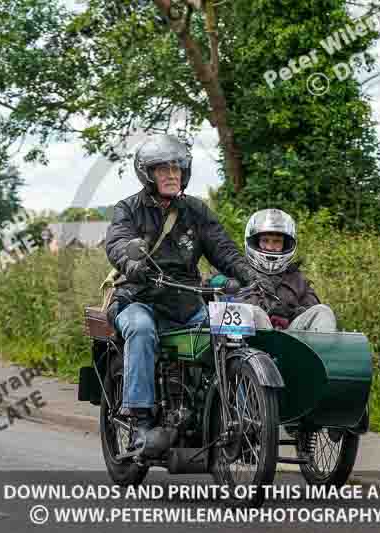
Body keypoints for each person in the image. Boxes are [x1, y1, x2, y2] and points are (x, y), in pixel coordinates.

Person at [104, 134, 274, 454]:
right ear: (147, 174)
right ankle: (139, 420)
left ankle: (241, 416)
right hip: (140, 297)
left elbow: (224, 250)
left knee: (234, 330)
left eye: (177, 168)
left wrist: (252, 276)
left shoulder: (196, 211)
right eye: (163, 169)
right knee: (140, 329)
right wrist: (132, 264)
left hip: (185, 299)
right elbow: (117, 243)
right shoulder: (128, 208)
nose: (171, 175)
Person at [242, 209, 337, 332]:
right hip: (249, 344)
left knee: (323, 311)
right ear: (255, 242)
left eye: (277, 241)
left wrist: (290, 313)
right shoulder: (237, 270)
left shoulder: (298, 280)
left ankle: (319, 351)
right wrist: (266, 311)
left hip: (290, 342)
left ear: (285, 244)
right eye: (265, 240)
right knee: (254, 312)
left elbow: (310, 308)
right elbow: (222, 307)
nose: (270, 247)